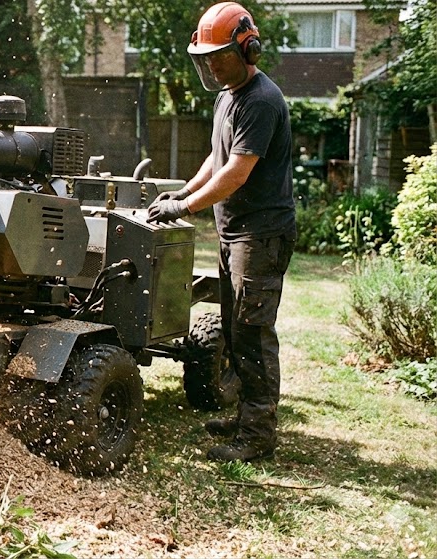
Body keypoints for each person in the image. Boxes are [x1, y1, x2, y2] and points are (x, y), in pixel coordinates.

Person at [146, 1, 297, 462]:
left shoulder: (262, 100)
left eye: (219, 55)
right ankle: (243, 417)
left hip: (261, 234)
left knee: (252, 331)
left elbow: (236, 172)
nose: (211, 64)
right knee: (233, 328)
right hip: (234, 232)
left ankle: (257, 436)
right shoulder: (226, 96)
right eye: (205, 57)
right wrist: (179, 193)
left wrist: (186, 208)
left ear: (246, 49)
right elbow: (216, 157)